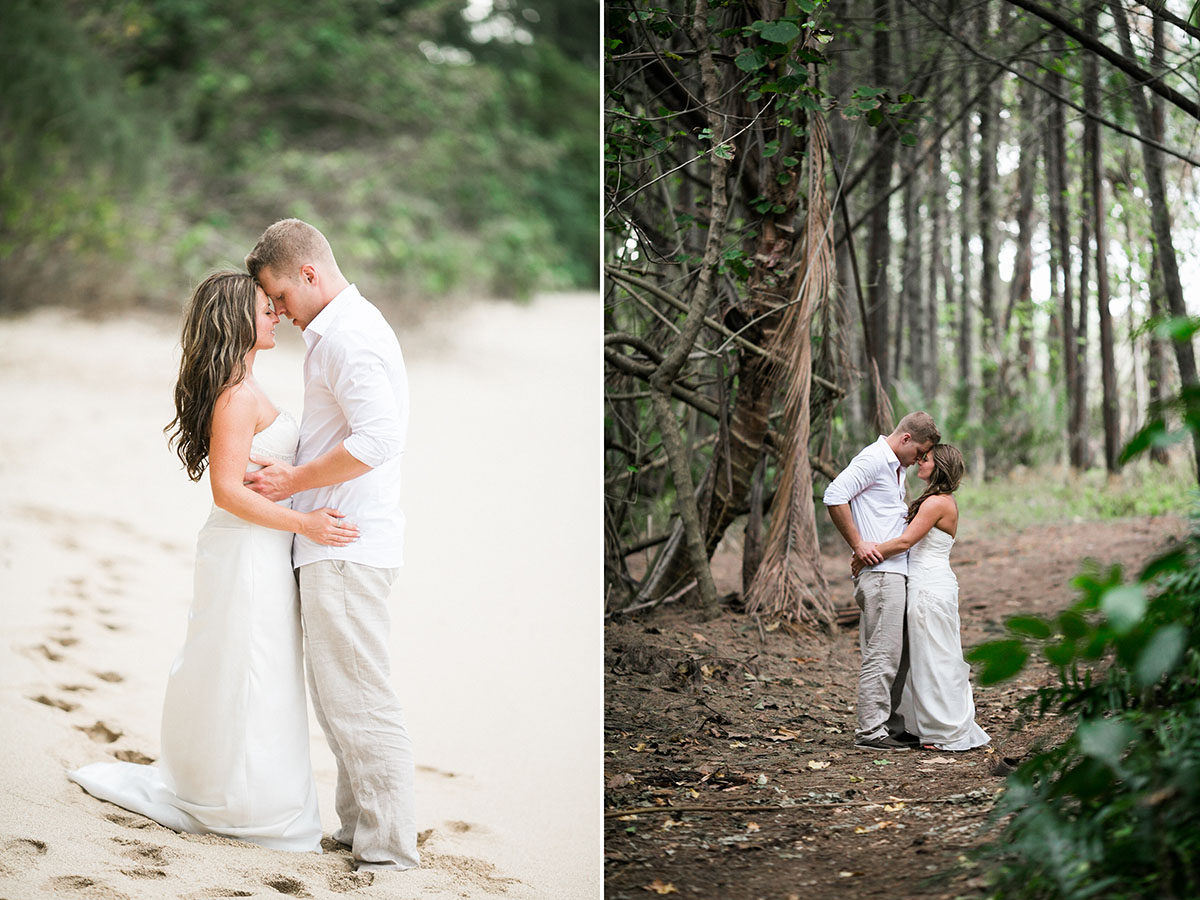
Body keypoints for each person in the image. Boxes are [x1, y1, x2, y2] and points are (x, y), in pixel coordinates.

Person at [68, 271, 357, 850]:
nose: (276, 312)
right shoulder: (235, 394)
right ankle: (242, 801)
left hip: (260, 545)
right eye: (265, 307)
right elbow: (226, 490)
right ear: (235, 320)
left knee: (256, 665)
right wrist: (307, 522)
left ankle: (251, 790)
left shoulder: (247, 385)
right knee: (247, 663)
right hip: (246, 548)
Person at [242, 219, 418, 872]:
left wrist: (293, 481)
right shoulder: (335, 333)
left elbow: (378, 440)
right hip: (337, 543)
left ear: (308, 274)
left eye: (280, 297)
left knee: (360, 701)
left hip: (346, 543)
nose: (278, 313)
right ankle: (356, 832)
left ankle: (390, 852)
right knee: (338, 699)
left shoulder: (351, 336)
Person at [851, 444, 989, 751]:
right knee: (922, 657)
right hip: (923, 583)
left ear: (938, 465)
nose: (918, 463)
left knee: (936, 656)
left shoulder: (938, 502)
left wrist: (866, 554)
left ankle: (946, 728)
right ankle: (924, 723)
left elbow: (905, 541)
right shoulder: (934, 500)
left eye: (924, 459)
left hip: (929, 586)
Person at [823, 411, 940, 751]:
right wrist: (858, 544)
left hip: (895, 572)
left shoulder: (894, 468)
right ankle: (870, 731)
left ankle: (891, 723)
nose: (919, 459)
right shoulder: (874, 459)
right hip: (881, 574)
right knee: (883, 654)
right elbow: (834, 494)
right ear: (905, 439)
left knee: (899, 654)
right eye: (919, 452)